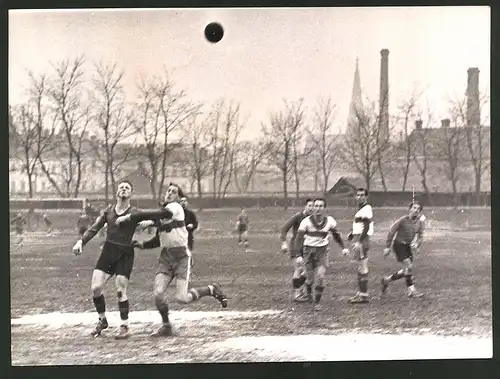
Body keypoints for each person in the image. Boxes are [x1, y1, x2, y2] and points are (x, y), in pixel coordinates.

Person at [121, 183, 228, 337]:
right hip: (166, 257)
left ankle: (211, 290)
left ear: (178, 198)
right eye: (168, 191)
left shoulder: (175, 208)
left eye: (174, 192)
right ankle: (166, 326)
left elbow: (160, 215)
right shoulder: (164, 214)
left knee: (181, 298)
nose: (170, 193)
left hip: (181, 257)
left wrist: (145, 220)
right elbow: (158, 240)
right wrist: (141, 244)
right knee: (158, 294)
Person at [72, 180, 172, 340]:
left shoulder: (135, 211)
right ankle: (102, 320)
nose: (124, 189)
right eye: (121, 187)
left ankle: (124, 326)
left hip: (125, 252)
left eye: (127, 187)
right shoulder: (109, 211)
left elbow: (158, 218)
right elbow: (94, 228)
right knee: (96, 288)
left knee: (120, 289)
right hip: (108, 251)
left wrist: (152, 222)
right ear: (117, 193)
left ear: (131, 193)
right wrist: (81, 242)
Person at [295, 198, 349, 311]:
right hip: (308, 251)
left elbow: (336, 235)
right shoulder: (306, 222)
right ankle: (308, 292)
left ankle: (317, 302)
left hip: (322, 252)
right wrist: (298, 255)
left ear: (324, 208)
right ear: (313, 207)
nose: (318, 208)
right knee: (310, 279)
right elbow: (299, 239)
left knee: (320, 276)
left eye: (321, 206)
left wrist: (343, 247)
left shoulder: (330, 221)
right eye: (316, 206)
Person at [381, 202, 425, 298]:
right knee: (409, 266)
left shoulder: (420, 222)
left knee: (406, 270)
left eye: (418, 209)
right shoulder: (402, 220)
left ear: (420, 212)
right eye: (414, 208)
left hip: (407, 247)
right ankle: (412, 291)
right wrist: (387, 247)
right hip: (398, 245)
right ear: (410, 209)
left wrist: (417, 244)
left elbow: (420, 236)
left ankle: (387, 280)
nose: (416, 210)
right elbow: (391, 232)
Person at [280, 198, 314, 301]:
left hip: (308, 247)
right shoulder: (297, 217)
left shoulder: (313, 219)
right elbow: (284, 229)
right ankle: (297, 294)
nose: (311, 208)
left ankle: (299, 290)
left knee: (308, 272)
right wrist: (283, 243)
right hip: (296, 246)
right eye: (309, 205)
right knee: (298, 269)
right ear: (305, 206)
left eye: (313, 206)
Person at [346, 188, 374, 304]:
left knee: (362, 267)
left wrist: (359, 241)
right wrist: (352, 233)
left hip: (362, 240)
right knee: (360, 266)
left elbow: (366, 227)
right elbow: (360, 224)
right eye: (358, 195)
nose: (360, 197)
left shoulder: (367, 209)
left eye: (362, 195)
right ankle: (361, 293)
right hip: (359, 238)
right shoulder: (362, 209)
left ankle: (363, 295)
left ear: (366, 197)